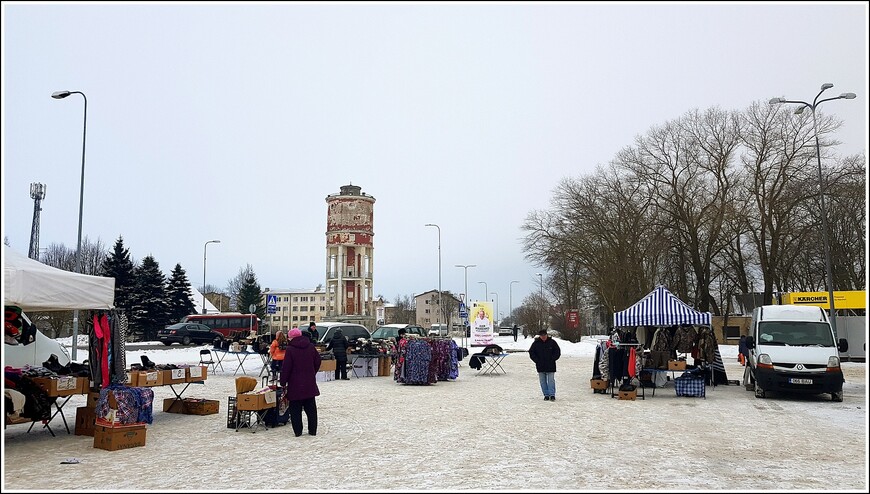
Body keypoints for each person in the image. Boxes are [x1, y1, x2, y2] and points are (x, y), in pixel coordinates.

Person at [280, 327, 322, 436]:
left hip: (295, 384)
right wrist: (312, 372)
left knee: (295, 409)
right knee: (311, 409)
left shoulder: (290, 349)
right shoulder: (311, 347)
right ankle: (312, 431)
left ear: (291, 338)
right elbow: (318, 361)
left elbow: (286, 367)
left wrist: (283, 382)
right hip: (309, 382)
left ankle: (298, 432)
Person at [528, 329, 561, 401]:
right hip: (540, 365)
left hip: (551, 365)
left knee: (551, 381)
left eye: (544, 335)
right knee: (542, 381)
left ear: (547, 335)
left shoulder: (552, 342)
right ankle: (546, 395)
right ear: (540, 336)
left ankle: (552, 395)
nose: (543, 337)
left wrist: (553, 359)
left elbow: (557, 351)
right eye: (541, 335)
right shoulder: (536, 343)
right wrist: (536, 360)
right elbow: (531, 352)